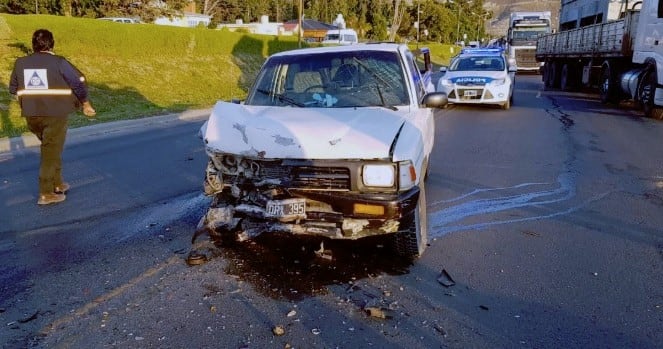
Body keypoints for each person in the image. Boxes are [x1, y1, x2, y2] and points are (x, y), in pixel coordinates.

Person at [8, 29, 96, 205]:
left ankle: (58, 183)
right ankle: (46, 193)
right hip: (55, 114)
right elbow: (78, 81)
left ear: (33, 45)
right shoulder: (59, 62)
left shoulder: (20, 63)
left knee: (51, 148)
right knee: (50, 151)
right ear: (52, 43)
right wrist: (85, 103)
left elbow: (13, 89)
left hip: (32, 116)